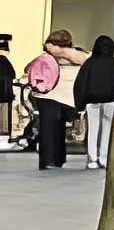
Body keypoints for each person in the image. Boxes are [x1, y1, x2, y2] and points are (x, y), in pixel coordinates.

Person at [26, 30, 85, 171]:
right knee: (59, 128)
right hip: (68, 97)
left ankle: (48, 160)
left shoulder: (46, 57)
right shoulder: (79, 55)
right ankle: (58, 158)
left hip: (46, 96)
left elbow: (28, 68)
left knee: (48, 130)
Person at [76, 36, 114, 170]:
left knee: (93, 129)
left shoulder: (89, 63)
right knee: (107, 130)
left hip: (92, 100)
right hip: (110, 100)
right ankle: (103, 158)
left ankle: (92, 158)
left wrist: (79, 105)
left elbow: (80, 84)